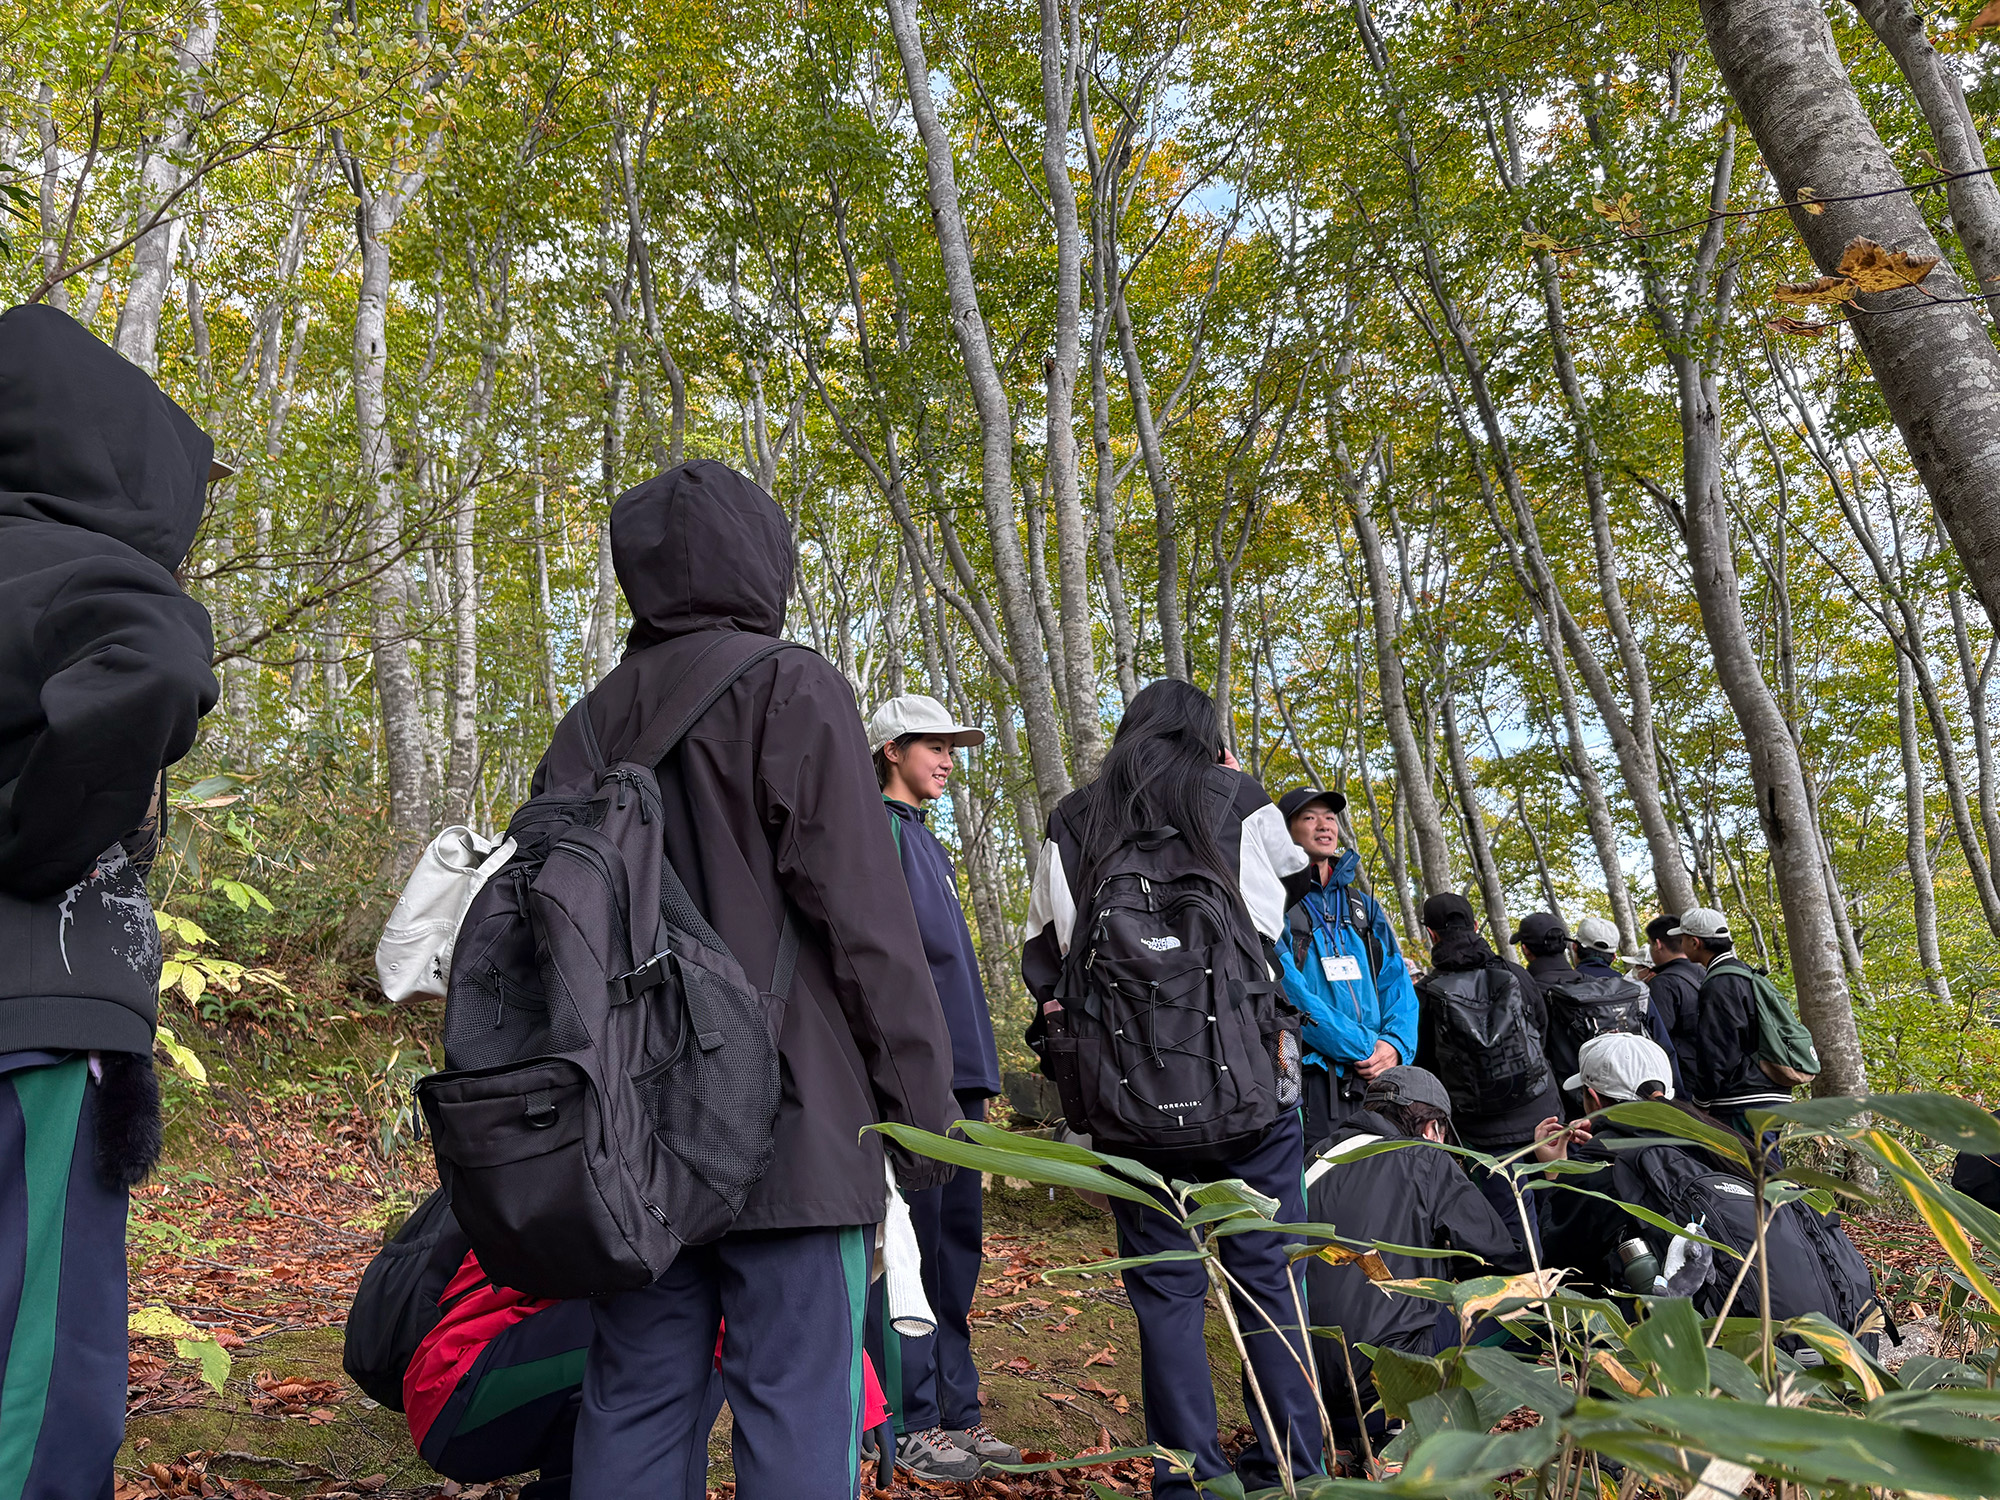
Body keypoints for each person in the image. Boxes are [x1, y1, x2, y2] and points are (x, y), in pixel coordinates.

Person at [567, 461, 960, 1499]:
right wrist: (922, 1117)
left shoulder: (590, 723)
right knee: (797, 1394)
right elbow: (864, 923)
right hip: (790, 1115)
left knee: (636, 1396)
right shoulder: (791, 685)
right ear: (765, 559)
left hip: (633, 1126)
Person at [0, 305, 221, 1497]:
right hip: (31, 1026)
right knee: (39, 1364)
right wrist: (40, 842)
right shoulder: (85, 567)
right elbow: (158, 669)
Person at [1023, 680, 1321, 1500]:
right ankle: (1293, 1466)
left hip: (1130, 1104)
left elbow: (1051, 948)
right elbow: (1289, 886)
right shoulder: (1237, 797)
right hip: (1250, 1090)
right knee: (1270, 1277)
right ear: (1207, 734)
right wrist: (1236, 776)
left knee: (1164, 1291)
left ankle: (1187, 1481)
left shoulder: (1075, 817)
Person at [861, 693, 1017, 1478]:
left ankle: (960, 1409)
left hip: (963, 1081)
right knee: (911, 1254)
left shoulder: (927, 840)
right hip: (916, 1081)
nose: (948, 758)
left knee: (958, 1251)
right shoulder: (875, 835)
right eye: (933, 745)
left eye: (954, 745)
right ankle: (909, 1419)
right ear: (892, 749)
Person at [1534, 1035, 1878, 1343]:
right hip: (1842, 1338)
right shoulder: (1722, 1142)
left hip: (1707, 1358)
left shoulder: (1604, 1164)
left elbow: (1561, 1267)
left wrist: (1555, 1172)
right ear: (1665, 1090)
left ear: (1592, 1098)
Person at [1303, 1067, 1527, 1469]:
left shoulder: (1313, 1157)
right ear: (1431, 1126)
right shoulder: (1426, 1160)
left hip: (1305, 1368)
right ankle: (1404, 1430)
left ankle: (1340, 1437)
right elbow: (1502, 1262)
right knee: (1520, 1310)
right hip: (1387, 1369)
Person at [1273, 786, 1419, 1144]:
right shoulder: (1275, 901)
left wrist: (1395, 1044)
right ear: (1286, 831)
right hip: (1314, 1076)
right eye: (1310, 817)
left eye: (1330, 818)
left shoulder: (1362, 907)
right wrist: (1364, 1047)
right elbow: (1289, 990)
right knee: (1327, 1181)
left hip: (1378, 1077)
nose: (1324, 826)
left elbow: (1396, 979)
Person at [1413, 893, 1561, 1232]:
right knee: (1553, 1200)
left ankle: (1530, 1281)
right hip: (1540, 1108)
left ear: (1431, 934)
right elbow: (1540, 1028)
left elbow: (1424, 1062)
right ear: (1476, 925)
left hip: (1480, 1129)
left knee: (1512, 1218)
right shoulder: (1516, 975)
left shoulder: (1426, 992)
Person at [1675, 909, 1791, 1139]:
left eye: (1683, 938)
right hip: (1771, 1090)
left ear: (1695, 942)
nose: (1680, 943)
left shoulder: (1720, 983)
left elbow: (1719, 1050)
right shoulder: (1744, 972)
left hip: (1744, 1099)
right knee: (1765, 1168)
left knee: (1754, 1171)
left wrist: (1701, 1101)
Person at [1571, 915, 1683, 1097]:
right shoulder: (1636, 990)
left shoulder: (1563, 992)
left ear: (1575, 947)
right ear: (1614, 957)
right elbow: (1664, 1047)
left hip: (1588, 1099)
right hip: (1638, 1095)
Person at [1643, 914, 1707, 1089]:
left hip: (1687, 1079)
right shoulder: (1705, 972)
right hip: (1715, 1072)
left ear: (1658, 944)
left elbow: (1657, 1036)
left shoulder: (1663, 983)